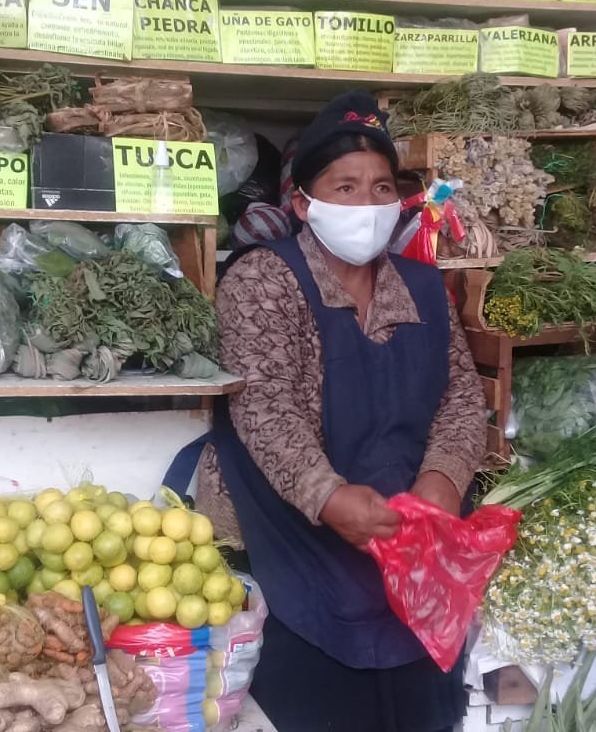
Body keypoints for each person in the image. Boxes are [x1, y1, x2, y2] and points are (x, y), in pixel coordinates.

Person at [193, 91, 487, 732]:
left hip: (405, 526)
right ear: (303, 203)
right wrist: (327, 496)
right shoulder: (263, 280)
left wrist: (441, 482)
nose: (368, 204)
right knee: (320, 689)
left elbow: (463, 397)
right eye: (345, 187)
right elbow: (266, 410)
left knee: (421, 697)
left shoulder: (423, 288)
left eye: (382, 187)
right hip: (295, 521)